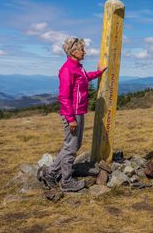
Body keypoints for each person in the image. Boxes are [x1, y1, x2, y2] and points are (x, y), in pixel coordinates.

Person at [38, 37, 107, 192]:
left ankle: (50, 173)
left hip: (78, 112)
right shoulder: (67, 69)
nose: (84, 51)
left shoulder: (77, 67)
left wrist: (99, 72)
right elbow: (63, 96)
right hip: (72, 114)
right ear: (73, 51)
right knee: (71, 147)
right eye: (82, 49)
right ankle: (66, 181)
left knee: (73, 145)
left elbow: (85, 78)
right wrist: (70, 119)